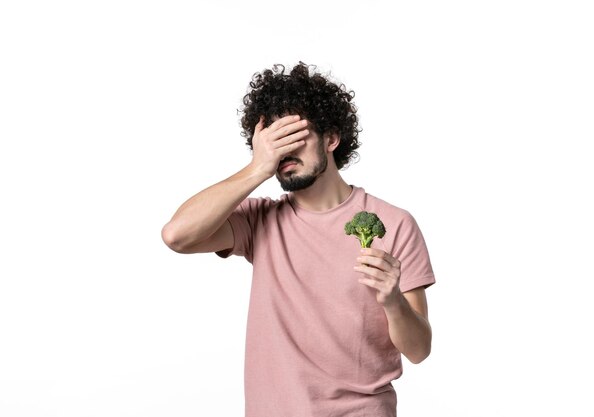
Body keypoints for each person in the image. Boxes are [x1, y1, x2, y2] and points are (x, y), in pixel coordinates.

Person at [161, 62, 436, 417]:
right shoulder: (259, 219)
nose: (284, 152)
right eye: (276, 141)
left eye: (295, 136)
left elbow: (418, 350)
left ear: (331, 138)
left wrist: (393, 300)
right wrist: (257, 168)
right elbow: (176, 235)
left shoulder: (394, 224)